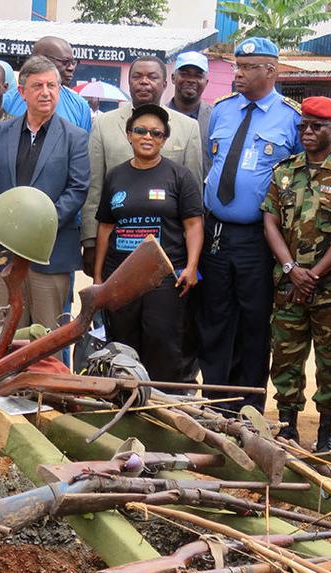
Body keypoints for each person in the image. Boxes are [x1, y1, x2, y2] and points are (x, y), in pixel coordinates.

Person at [198, 37, 301, 413]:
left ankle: (248, 405)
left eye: (246, 67)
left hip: (259, 236)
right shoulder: (221, 110)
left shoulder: (291, 117)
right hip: (216, 232)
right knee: (215, 318)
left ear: (270, 71)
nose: (237, 74)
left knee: (254, 321)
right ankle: (213, 402)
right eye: (236, 67)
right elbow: (211, 164)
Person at [262, 97, 331, 452]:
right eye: (302, 126)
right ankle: (287, 427)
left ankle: (327, 433)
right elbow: (270, 221)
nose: (307, 132)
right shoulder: (285, 170)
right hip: (289, 284)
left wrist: (314, 275)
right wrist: (292, 270)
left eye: (316, 127)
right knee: (285, 357)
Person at [0, 55, 90, 337]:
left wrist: (37, 228)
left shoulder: (74, 137)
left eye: (52, 86)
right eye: (38, 86)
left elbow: (77, 190)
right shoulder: (0, 133)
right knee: (7, 337)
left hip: (51, 253)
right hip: (5, 252)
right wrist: (8, 228)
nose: (46, 92)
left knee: (47, 338)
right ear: (22, 92)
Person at [93, 104, 203, 382]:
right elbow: (105, 227)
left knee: (162, 342)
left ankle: (163, 400)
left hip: (164, 278)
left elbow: (193, 225)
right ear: (129, 135)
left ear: (164, 140)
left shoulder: (179, 176)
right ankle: (125, 399)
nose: (147, 137)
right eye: (141, 131)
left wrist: (191, 267)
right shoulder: (115, 176)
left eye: (156, 133)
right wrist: (98, 276)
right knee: (123, 344)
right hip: (121, 276)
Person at [82, 56, 203, 282]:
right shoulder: (103, 124)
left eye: (152, 77)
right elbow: (94, 187)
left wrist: (192, 260)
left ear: (165, 84)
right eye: (137, 76)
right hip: (117, 248)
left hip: (167, 251)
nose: (144, 82)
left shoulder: (188, 127)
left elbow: (193, 198)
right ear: (128, 82)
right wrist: (90, 241)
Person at [2, 36, 92, 132]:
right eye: (65, 62)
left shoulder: (79, 106)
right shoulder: (7, 101)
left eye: (73, 62)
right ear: (40, 61)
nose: (71, 68)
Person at [168, 51, 213, 175]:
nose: (191, 80)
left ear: (206, 82)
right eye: (184, 74)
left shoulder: (216, 118)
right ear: (173, 78)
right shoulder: (158, 116)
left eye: (198, 76)